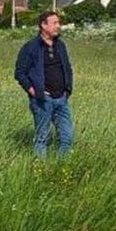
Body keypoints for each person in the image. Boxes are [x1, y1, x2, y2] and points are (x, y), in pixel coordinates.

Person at [14, 10, 73, 157]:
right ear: (43, 25)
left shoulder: (61, 46)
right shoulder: (31, 47)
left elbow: (68, 68)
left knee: (67, 137)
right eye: (54, 23)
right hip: (42, 100)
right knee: (42, 138)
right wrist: (34, 92)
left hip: (61, 99)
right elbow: (20, 72)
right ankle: (40, 171)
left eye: (59, 23)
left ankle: (61, 168)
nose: (58, 26)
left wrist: (68, 89)